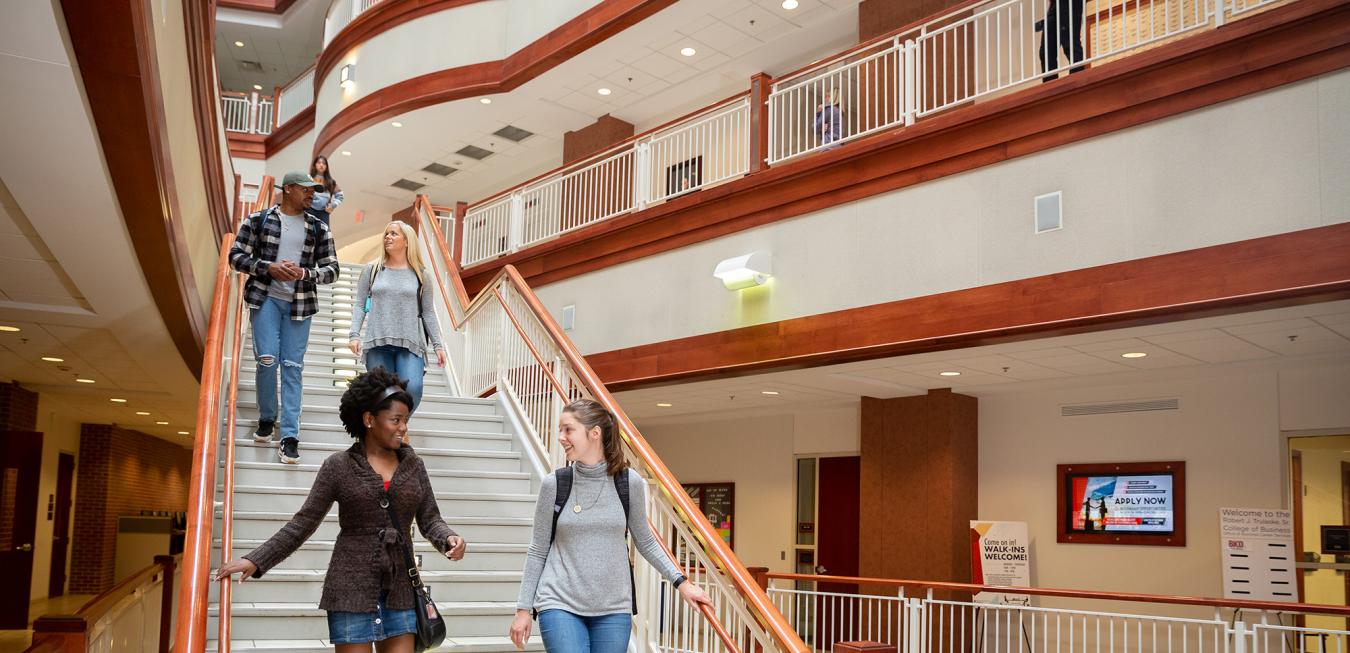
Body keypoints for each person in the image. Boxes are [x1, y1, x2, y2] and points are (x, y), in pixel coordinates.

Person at [214, 368, 468, 652]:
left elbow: (430, 518)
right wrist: (257, 560)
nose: (403, 427)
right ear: (369, 420)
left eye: (406, 420)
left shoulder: (414, 466)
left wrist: (447, 538)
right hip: (350, 591)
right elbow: (303, 523)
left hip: (400, 591)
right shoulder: (338, 466)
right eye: (396, 420)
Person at [509, 399, 712, 653]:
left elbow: (646, 541)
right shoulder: (555, 484)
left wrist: (682, 583)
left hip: (614, 608)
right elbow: (538, 548)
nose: (560, 437)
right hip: (559, 601)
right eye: (560, 430)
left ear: (595, 433)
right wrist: (523, 609)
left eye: (568, 429)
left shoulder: (629, 484)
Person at [230, 170, 341, 464]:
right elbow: (236, 256)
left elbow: (333, 269)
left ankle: (290, 436)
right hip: (265, 299)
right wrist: (268, 268)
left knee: (292, 367)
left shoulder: (318, 228)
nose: (312, 195)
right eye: (306, 190)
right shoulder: (258, 220)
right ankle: (267, 417)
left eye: (314, 191)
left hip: (300, 305)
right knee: (267, 360)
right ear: (288, 189)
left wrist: (305, 273)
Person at [348, 221, 446, 415]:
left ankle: (398, 427)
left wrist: (438, 345)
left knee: (413, 389)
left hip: (410, 342)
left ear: (407, 241)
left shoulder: (421, 275)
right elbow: (360, 304)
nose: (388, 237)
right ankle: (389, 434)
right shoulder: (372, 269)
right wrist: (354, 335)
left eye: (394, 234)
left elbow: (428, 312)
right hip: (377, 342)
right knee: (381, 395)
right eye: (386, 234)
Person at [1038, 0, 1086, 81]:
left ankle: (1077, 79)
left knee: (1070, 42)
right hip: (1055, 5)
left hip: (1070, 3)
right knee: (1046, 49)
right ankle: (1050, 85)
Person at [308, 155, 344, 226]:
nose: (321, 165)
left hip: (324, 213)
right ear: (314, 165)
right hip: (309, 210)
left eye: (324, 163)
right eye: (319, 163)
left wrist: (333, 205)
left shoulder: (331, 182)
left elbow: (340, 196)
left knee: (324, 235)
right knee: (308, 235)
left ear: (326, 166)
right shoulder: (309, 179)